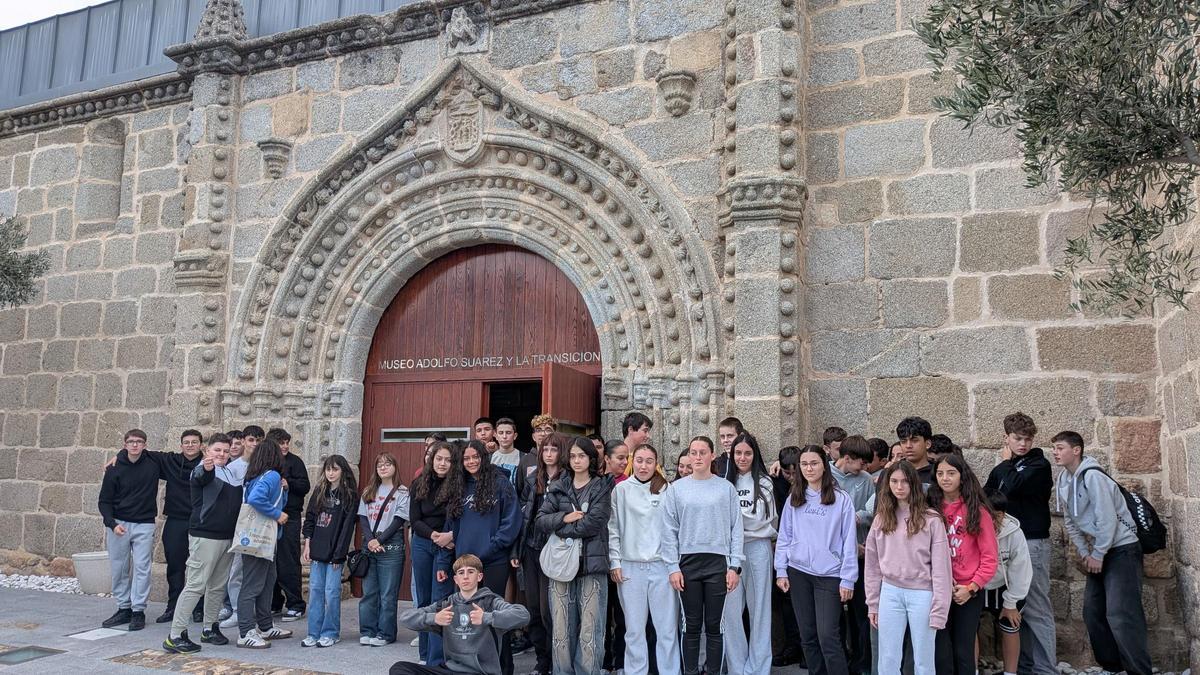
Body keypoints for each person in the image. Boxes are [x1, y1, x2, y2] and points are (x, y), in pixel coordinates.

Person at [1052, 430, 1152, 674]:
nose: (1055, 452)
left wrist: (1098, 553)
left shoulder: (1093, 476)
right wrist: (1087, 552)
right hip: (1099, 550)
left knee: (1121, 613)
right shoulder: (1064, 479)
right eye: (1054, 448)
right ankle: (1113, 666)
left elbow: (1107, 519)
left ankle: (1139, 670)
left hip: (1122, 549)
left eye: (1060, 447)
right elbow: (1071, 521)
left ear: (1076, 450)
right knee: (1092, 612)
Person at [661, 436, 744, 675]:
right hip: (687, 563)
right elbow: (669, 530)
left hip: (718, 562)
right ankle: (690, 671)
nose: (697, 457)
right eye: (693, 453)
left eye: (702, 452)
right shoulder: (677, 489)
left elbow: (735, 528)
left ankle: (713, 671)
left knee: (715, 626)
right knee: (691, 625)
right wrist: (672, 567)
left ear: (711, 455)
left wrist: (734, 565)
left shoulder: (725, 488)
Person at [439, 439, 523, 675]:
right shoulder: (458, 487)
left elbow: (512, 522)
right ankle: (473, 668)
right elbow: (452, 528)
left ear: (483, 458)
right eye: (466, 458)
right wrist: (447, 561)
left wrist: (491, 548)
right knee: (467, 619)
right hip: (465, 566)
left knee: (494, 617)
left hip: (493, 561)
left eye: (475, 457)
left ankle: (503, 668)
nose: (471, 461)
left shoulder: (500, 483)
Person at [983, 412, 1056, 675]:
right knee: (1016, 609)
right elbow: (987, 497)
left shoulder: (1039, 464)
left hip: (1032, 540)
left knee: (1036, 606)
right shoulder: (1005, 468)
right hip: (1006, 545)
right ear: (1007, 438)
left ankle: (1045, 669)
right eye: (1017, 438)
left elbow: (1011, 486)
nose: (1023, 444)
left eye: (1027, 439)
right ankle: (1025, 668)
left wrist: (1005, 462)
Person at [535, 436, 614, 675]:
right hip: (561, 565)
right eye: (573, 456)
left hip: (592, 563)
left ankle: (588, 672)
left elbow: (593, 523)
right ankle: (562, 671)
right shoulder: (559, 485)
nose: (577, 460)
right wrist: (564, 518)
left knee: (591, 625)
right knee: (561, 625)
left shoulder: (602, 486)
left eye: (582, 455)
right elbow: (540, 520)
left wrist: (560, 528)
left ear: (591, 458)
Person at [774, 445, 856, 675]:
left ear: (824, 464)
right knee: (807, 636)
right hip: (798, 572)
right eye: (804, 464)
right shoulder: (795, 498)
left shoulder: (841, 500)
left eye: (814, 463)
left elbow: (849, 540)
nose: (809, 468)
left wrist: (848, 579)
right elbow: (785, 536)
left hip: (829, 575)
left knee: (828, 635)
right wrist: (781, 569)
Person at [865, 462, 952, 675]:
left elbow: (942, 567)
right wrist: (873, 603)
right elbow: (872, 565)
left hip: (922, 593)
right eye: (894, 481)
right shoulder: (881, 518)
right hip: (890, 591)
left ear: (913, 484)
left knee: (923, 658)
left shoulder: (931, 520)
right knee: (888, 657)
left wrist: (940, 608)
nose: (899, 486)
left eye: (904, 481)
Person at [162, 433, 241, 653]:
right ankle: (175, 635)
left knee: (216, 587)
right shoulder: (204, 468)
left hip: (226, 538)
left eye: (226, 451)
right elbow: (201, 475)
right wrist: (206, 466)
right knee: (196, 585)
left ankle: (210, 628)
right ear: (207, 451)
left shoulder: (230, 472)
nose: (222, 454)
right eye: (217, 450)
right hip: (204, 537)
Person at [394, 554, 531, 675]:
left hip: (480, 672)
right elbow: (405, 618)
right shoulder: (446, 605)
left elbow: (523, 615)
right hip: (450, 670)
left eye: (470, 572)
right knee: (399, 669)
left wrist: (486, 618)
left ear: (479, 576)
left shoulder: (491, 602)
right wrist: (434, 618)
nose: (465, 577)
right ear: (455, 579)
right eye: (461, 573)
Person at [609, 443, 679, 675]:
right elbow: (613, 529)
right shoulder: (621, 490)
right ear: (632, 461)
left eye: (649, 461)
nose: (643, 465)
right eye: (639, 460)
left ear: (656, 463)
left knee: (666, 629)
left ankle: (669, 671)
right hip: (630, 568)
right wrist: (615, 561)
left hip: (661, 566)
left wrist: (673, 566)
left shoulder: (666, 489)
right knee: (634, 630)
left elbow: (672, 530)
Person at [926, 453, 997, 675]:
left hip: (967, 591)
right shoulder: (930, 509)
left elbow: (990, 558)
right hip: (938, 588)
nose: (945, 478)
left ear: (962, 476)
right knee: (940, 651)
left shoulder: (978, 511)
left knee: (963, 651)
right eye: (940, 473)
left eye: (951, 473)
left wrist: (972, 587)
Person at [721, 433, 778, 675]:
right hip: (729, 553)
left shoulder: (764, 482)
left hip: (757, 548)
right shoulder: (725, 484)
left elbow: (761, 520)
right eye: (738, 453)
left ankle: (758, 668)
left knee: (760, 611)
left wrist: (733, 523)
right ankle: (736, 667)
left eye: (747, 453)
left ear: (754, 455)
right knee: (730, 612)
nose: (742, 458)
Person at [517, 432, 569, 675]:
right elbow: (523, 516)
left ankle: (556, 658)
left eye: (553, 449)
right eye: (545, 450)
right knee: (535, 609)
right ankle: (542, 660)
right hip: (531, 548)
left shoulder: (567, 479)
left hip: (556, 550)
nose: (548, 454)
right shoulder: (532, 479)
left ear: (561, 452)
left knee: (552, 610)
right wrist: (517, 549)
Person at [98, 429, 160, 632]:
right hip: (119, 524)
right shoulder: (114, 469)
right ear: (124, 445)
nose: (135, 445)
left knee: (142, 567)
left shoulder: (153, 464)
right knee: (119, 567)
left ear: (145, 445)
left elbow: (178, 459)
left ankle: (138, 610)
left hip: (144, 523)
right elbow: (104, 501)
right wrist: (111, 523)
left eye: (139, 442)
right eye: (131, 442)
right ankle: (123, 607)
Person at [236, 438, 293, 648]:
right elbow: (257, 500)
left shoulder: (257, 476)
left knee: (268, 582)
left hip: (262, 539)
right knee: (253, 585)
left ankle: (266, 626)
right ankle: (245, 632)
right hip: (261, 539)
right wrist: (277, 514)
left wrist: (284, 491)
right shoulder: (272, 476)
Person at [300, 454, 358, 648]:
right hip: (317, 550)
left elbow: (347, 527)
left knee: (332, 592)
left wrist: (338, 555)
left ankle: (331, 632)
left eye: (335, 469)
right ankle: (313, 632)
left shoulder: (349, 494)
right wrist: (307, 544)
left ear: (343, 471)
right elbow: (309, 519)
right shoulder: (319, 491)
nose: (331, 473)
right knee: (315, 591)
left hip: (335, 554)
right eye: (328, 469)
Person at [830, 436, 876, 674]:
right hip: (831, 560)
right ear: (846, 458)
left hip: (860, 556)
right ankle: (839, 662)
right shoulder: (825, 475)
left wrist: (857, 517)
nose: (865, 467)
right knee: (833, 618)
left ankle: (861, 663)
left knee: (861, 614)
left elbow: (873, 510)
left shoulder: (866, 480)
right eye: (861, 463)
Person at [358, 452, 411, 647]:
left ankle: (386, 633)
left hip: (391, 545)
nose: (383, 467)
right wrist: (371, 540)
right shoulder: (369, 490)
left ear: (395, 467)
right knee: (369, 592)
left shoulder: (402, 492)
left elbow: (399, 520)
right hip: (369, 544)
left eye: (387, 464)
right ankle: (367, 630)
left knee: (388, 594)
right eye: (379, 464)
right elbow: (363, 518)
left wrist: (379, 540)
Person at [411, 441, 456, 665]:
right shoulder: (419, 483)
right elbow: (415, 519)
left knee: (441, 601)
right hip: (423, 543)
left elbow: (459, 516)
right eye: (439, 458)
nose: (443, 463)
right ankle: (424, 654)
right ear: (431, 459)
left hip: (446, 548)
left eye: (448, 460)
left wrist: (446, 537)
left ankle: (436, 660)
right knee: (424, 600)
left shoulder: (458, 484)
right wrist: (434, 536)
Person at [980, 489, 1032, 675]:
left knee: (1011, 623)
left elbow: (1021, 571)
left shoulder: (1014, 534)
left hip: (1006, 585)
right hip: (977, 585)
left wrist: (1010, 603)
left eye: (994, 516)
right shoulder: (973, 526)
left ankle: (1011, 672)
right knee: (968, 625)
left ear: (1001, 515)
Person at [220, 423, 263, 629]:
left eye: (258, 440)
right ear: (244, 441)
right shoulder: (232, 468)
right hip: (238, 524)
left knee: (257, 570)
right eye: (251, 440)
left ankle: (256, 612)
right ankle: (237, 610)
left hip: (259, 524)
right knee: (236, 570)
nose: (254, 444)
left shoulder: (265, 466)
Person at [266, 428, 309, 622]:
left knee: (288, 560)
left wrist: (287, 483)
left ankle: (295, 604)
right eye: (281, 443)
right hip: (268, 517)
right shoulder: (266, 462)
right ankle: (274, 602)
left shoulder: (295, 462)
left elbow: (304, 486)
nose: (285, 446)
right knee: (268, 561)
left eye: (287, 442)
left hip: (289, 517)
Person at [770, 446, 803, 669]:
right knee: (786, 603)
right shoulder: (775, 483)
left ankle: (805, 649)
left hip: (804, 552)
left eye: (794, 472)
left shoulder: (809, 483)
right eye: (787, 473)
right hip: (783, 549)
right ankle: (792, 647)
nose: (790, 477)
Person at [602, 437, 631, 674]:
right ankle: (604, 661)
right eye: (620, 458)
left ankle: (621, 661)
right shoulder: (599, 484)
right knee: (602, 614)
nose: (625, 462)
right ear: (607, 459)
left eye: (626, 458)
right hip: (600, 556)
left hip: (624, 556)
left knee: (622, 615)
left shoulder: (630, 483)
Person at [895, 417, 934, 489]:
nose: (908, 446)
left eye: (914, 440)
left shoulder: (938, 474)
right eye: (903, 441)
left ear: (928, 444)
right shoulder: (891, 473)